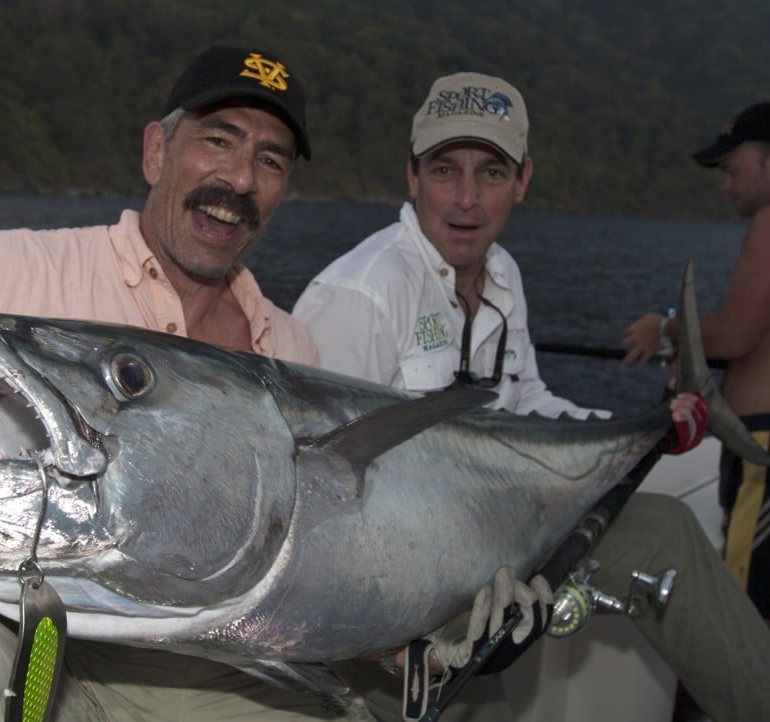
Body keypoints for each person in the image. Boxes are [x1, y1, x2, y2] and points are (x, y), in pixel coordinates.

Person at [0, 45, 376, 722]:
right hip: (31, 644)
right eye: (217, 140)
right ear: (156, 152)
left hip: (222, 667)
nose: (240, 178)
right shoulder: (5, 275)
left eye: (271, 160)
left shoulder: (291, 347)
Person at [294, 72, 770, 721]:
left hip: (502, 533)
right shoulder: (364, 294)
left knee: (667, 531)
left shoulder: (503, 275)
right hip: (402, 587)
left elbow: (530, 405)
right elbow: (317, 508)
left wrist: (646, 426)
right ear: (411, 176)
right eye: (444, 170)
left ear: (522, 181)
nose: (466, 199)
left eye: (491, 173)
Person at [623, 101, 770, 620]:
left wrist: (662, 330)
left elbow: (735, 335)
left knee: (750, 611)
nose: (725, 184)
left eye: (733, 169)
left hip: (760, 450)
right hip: (753, 439)